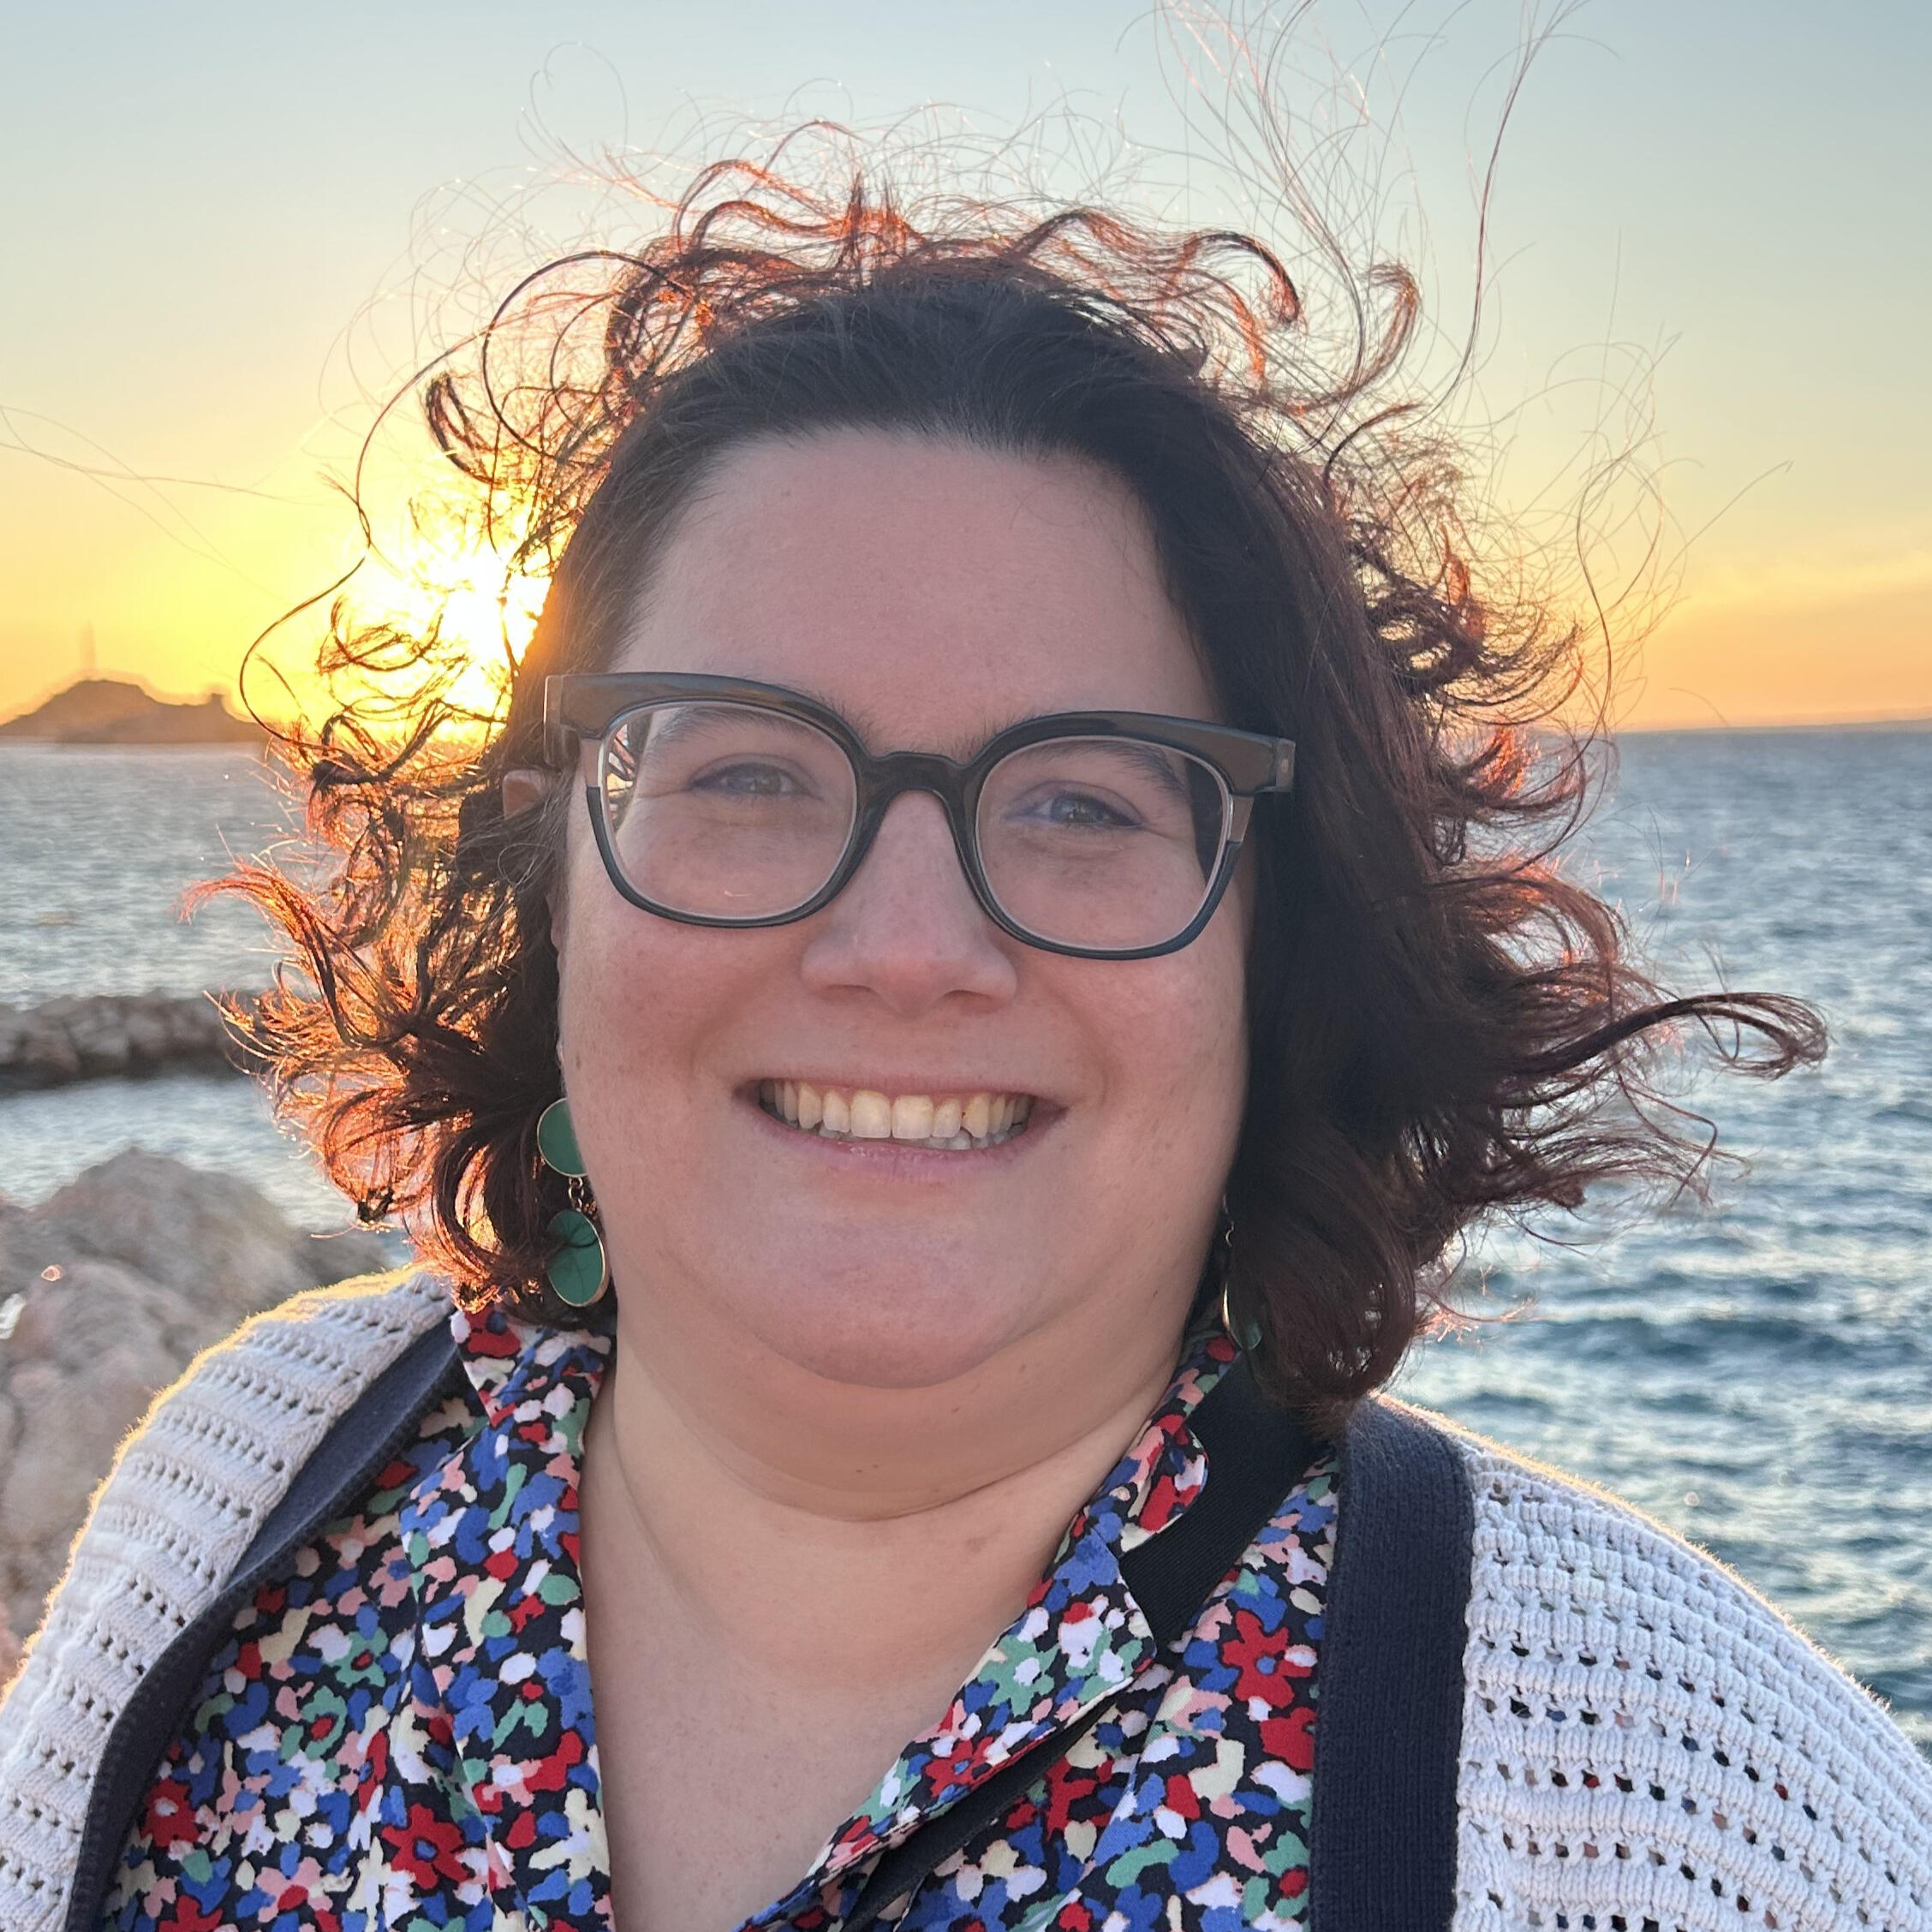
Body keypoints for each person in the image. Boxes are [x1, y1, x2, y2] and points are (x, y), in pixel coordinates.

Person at [3, 152, 1928, 1932]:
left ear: (1281, 949)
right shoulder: (240, 1504)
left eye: (1085, 800)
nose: (904, 949)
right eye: (746, 770)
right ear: (550, 873)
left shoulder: (1682, 1808)